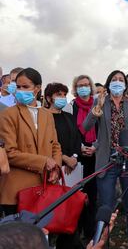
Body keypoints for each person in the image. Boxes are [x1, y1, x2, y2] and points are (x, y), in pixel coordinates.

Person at [83, 70, 128, 249]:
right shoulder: (100, 101)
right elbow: (86, 126)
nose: (118, 82)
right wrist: (97, 109)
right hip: (107, 160)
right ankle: (102, 245)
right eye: (114, 80)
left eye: (121, 80)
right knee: (106, 208)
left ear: (126, 85)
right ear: (108, 83)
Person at [0, 67, 62, 215]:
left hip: (45, 186)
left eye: (25, 86)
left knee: (43, 234)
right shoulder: (8, 114)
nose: (20, 90)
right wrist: (44, 162)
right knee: (18, 236)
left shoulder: (47, 115)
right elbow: (9, 152)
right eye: (18, 86)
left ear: (37, 88)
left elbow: (55, 146)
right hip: (18, 189)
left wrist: (56, 168)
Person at [44, 82, 83, 248]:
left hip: (73, 170)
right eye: (58, 94)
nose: (62, 98)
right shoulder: (44, 117)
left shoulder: (68, 116)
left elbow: (77, 137)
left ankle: (69, 241)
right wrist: (64, 158)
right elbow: (49, 142)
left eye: (64, 95)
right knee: (54, 208)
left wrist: (74, 156)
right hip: (55, 168)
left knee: (71, 206)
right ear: (48, 97)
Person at [65, 74, 98, 242]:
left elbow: (104, 130)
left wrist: (95, 147)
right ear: (75, 88)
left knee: (93, 194)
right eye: (80, 85)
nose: (83, 87)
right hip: (78, 155)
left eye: (86, 84)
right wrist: (80, 147)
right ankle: (76, 231)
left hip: (96, 154)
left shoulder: (99, 104)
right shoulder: (71, 107)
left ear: (91, 87)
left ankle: (91, 232)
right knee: (78, 194)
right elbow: (71, 131)